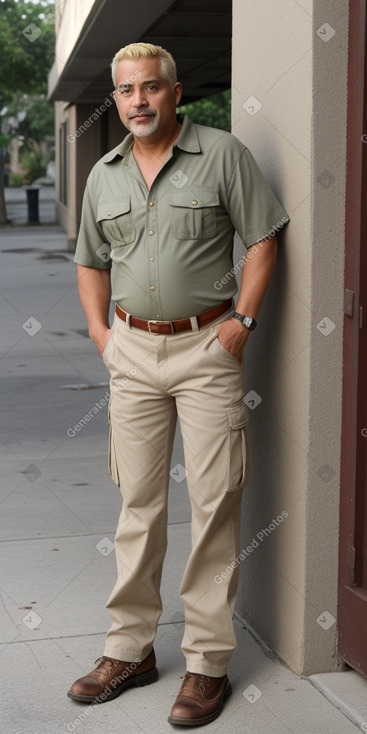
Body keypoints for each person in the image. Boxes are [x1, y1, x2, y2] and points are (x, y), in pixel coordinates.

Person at [67, 42, 289, 727]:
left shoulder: (221, 154)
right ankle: (129, 651)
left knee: (215, 507)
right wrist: (104, 337)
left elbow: (263, 238)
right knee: (137, 505)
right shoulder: (102, 174)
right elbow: (90, 260)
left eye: (151, 88)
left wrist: (242, 321)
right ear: (119, 97)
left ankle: (206, 664)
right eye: (128, 90)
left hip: (206, 350)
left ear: (175, 92)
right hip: (132, 353)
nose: (139, 100)